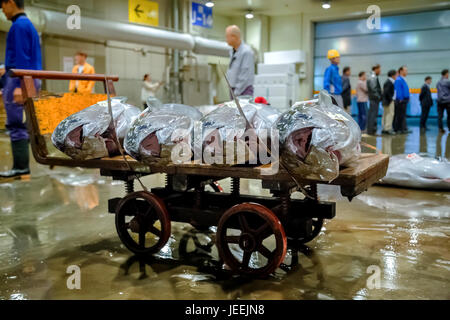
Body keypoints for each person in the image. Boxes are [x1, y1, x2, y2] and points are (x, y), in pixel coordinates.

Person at [0, 0, 42, 178]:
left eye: (2, 6)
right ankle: (21, 166)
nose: (3, 11)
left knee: (16, 124)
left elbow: (22, 59)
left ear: (10, 2)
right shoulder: (28, 25)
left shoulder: (18, 26)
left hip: (20, 80)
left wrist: (18, 86)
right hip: (27, 79)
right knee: (24, 124)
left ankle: (21, 167)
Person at [225, 25, 255, 97]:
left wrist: (236, 92)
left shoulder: (246, 52)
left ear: (234, 37)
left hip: (243, 90)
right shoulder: (232, 51)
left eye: (227, 36)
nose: (226, 39)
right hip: (234, 89)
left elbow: (245, 75)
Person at [393, 66, 411, 134]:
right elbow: (398, 90)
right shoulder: (399, 80)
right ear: (401, 71)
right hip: (401, 100)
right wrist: (400, 98)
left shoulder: (403, 79)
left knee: (403, 115)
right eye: (405, 70)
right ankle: (399, 128)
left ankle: (403, 128)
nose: (406, 72)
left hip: (404, 99)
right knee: (400, 115)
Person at [367, 64, 382, 135]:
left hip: (374, 98)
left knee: (372, 114)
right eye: (379, 69)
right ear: (375, 69)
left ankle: (371, 130)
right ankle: (371, 130)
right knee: (373, 115)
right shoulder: (373, 77)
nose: (380, 71)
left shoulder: (372, 77)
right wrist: (379, 97)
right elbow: (373, 89)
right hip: (374, 99)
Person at [381, 69, 397, 135]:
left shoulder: (389, 82)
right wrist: (391, 99)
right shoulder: (389, 82)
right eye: (396, 75)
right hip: (388, 101)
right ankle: (387, 128)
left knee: (386, 114)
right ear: (393, 75)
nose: (396, 76)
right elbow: (387, 92)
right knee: (390, 114)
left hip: (386, 101)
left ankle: (385, 128)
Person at [436, 69, 450, 133]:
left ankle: (440, 128)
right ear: (446, 74)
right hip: (447, 101)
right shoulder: (448, 82)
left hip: (439, 101)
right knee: (449, 115)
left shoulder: (438, 82)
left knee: (440, 116)